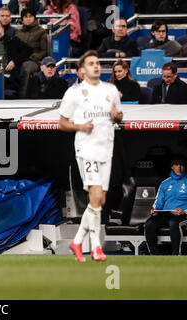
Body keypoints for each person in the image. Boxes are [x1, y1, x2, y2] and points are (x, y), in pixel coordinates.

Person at [58, 50, 123, 262]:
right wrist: (80, 126)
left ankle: (76, 240)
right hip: (86, 150)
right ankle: (95, 247)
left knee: (99, 199)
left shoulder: (111, 90)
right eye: (91, 63)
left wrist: (116, 116)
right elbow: (62, 123)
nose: (96, 66)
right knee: (95, 196)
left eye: (97, 63)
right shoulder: (74, 94)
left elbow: (118, 118)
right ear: (82, 70)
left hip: (107, 150)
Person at [145, 156, 187, 255]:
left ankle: (175, 254)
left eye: (182, 165)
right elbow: (158, 200)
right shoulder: (165, 183)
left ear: (185, 167)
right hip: (165, 213)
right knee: (149, 224)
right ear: (172, 167)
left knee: (174, 223)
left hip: (182, 214)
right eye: (177, 165)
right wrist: (155, 209)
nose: (179, 167)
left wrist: (184, 211)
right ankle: (154, 255)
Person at [0, 19, 32, 95]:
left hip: (9, 77)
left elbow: (28, 50)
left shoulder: (12, 40)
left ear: (3, 29)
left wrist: (14, 61)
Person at [15, 7, 47, 98]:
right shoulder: (18, 33)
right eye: (25, 17)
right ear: (22, 19)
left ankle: (22, 96)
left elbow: (44, 51)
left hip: (35, 61)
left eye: (30, 16)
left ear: (34, 18)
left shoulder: (41, 32)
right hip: (20, 60)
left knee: (27, 67)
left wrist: (31, 57)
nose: (28, 19)